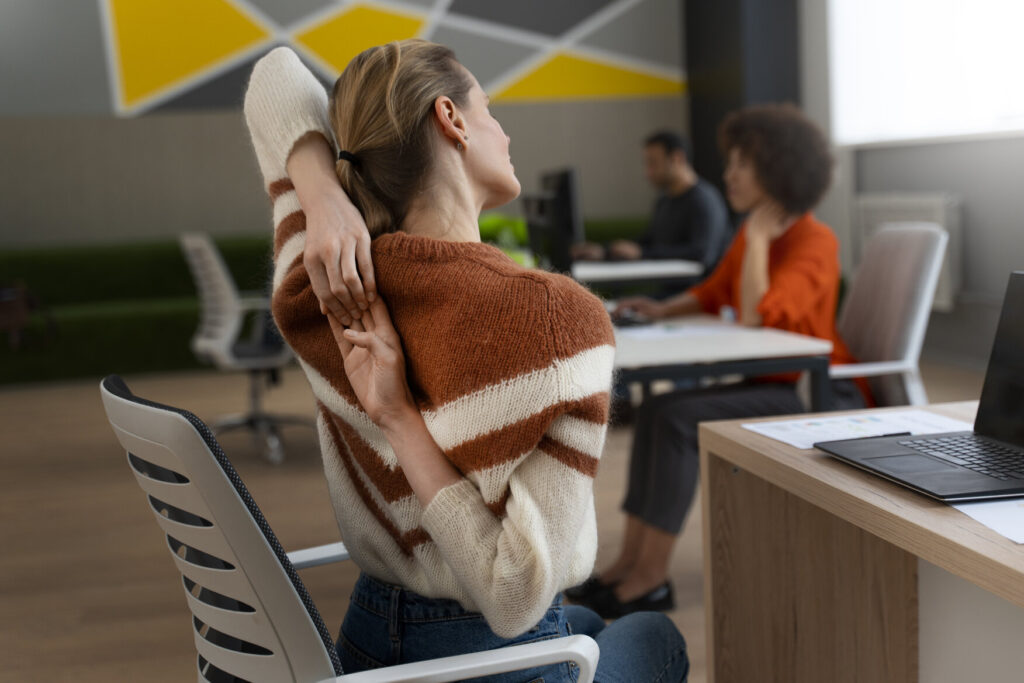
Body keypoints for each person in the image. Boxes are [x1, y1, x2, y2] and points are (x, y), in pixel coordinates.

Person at [244, 43, 689, 682]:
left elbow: (275, 76)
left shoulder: (322, 283)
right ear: (450, 118)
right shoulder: (556, 320)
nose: (504, 132)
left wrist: (321, 197)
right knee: (656, 635)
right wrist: (397, 417)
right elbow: (512, 599)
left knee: (591, 625)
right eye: (490, 110)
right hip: (495, 655)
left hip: (372, 643)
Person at [567, 103, 870, 619]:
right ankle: (629, 564)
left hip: (814, 391)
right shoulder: (755, 232)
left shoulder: (813, 240)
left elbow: (757, 314)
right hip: (772, 382)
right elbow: (714, 292)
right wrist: (662, 307)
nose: (727, 174)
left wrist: (755, 239)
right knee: (662, 409)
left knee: (678, 419)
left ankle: (650, 578)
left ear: (777, 170)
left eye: (740, 164)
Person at [571, 131, 730, 272]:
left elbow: (702, 254)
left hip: (694, 294)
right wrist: (604, 251)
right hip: (668, 290)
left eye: (653, 163)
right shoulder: (665, 201)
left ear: (677, 158)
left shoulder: (704, 200)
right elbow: (646, 243)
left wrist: (643, 254)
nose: (648, 172)